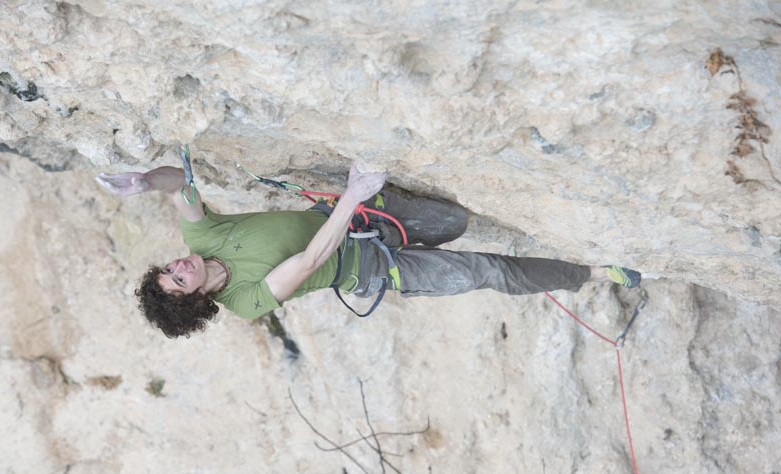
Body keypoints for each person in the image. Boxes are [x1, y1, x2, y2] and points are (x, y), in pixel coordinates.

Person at [96, 160, 641, 338]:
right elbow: (310, 261)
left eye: (171, 267)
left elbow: (181, 184)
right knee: (485, 271)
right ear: (195, 300)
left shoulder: (203, 238)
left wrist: (145, 181)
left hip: (359, 219)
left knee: (455, 220)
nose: (181, 265)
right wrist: (354, 192)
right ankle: (594, 272)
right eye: (180, 279)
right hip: (376, 266)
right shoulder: (246, 301)